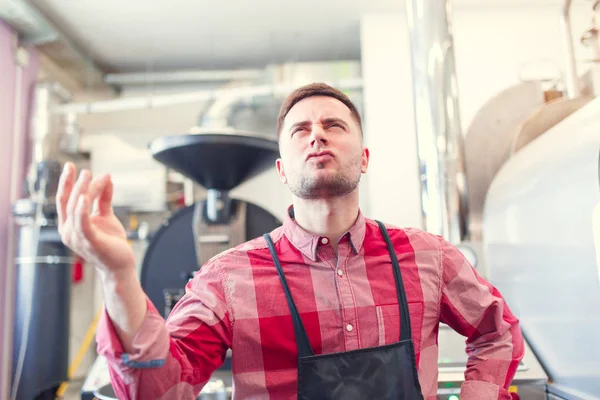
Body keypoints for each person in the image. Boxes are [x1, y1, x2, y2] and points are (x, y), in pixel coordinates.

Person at [56, 83, 524, 400]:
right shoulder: (227, 278)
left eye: (333, 126)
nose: (317, 134)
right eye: (300, 130)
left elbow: (497, 330)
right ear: (282, 171)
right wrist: (117, 275)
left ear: (363, 159)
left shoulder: (428, 256)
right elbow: (161, 390)